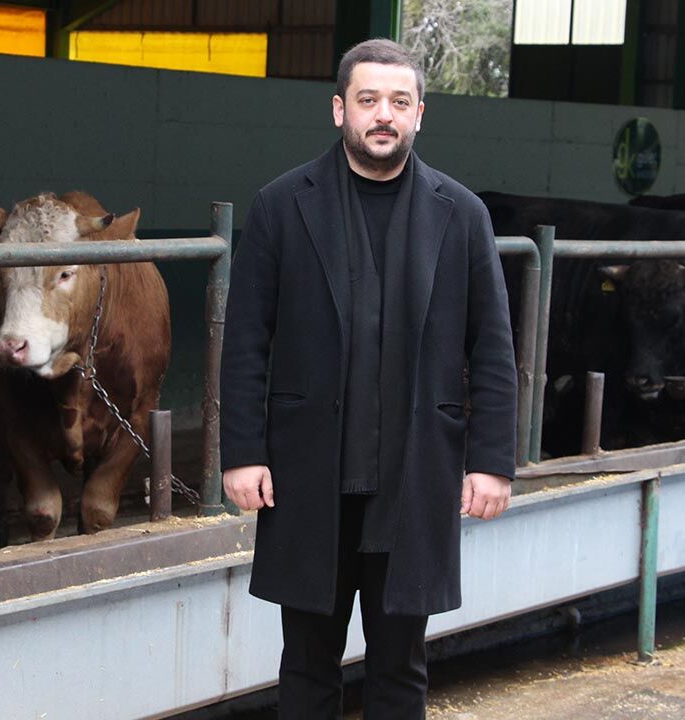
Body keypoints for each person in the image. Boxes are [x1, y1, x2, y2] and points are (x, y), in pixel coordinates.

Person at [219, 38, 518, 718]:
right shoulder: (281, 205)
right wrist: (242, 453)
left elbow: (493, 349)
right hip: (305, 476)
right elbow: (246, 344)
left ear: (419, 115)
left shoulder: (462, 214)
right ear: (339, 110)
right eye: (368, 100)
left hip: (415, 478)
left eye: (399, 102)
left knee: (401, 668)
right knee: (306, 665)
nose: (384, 114)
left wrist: (491, 462)